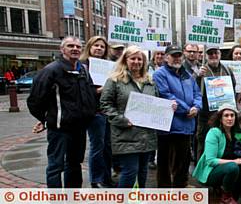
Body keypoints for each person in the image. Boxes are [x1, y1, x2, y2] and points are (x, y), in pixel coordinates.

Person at [27, 36, 97, 188]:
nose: (75, 49)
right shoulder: (51, 70)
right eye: (70, 46)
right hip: (59, 129)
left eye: (78, 47)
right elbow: (35, 100)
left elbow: (89, 94)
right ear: (62, 49)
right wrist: (46, 119)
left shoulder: (83, 70)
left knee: (74, 164)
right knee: (55, 167)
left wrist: (89, 114)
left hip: (78, 128)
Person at [100, 46, 174, 188]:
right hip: (126, 134)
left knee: (142, 171)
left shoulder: (150, 81)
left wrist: (168, 107)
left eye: (139, 59)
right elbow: (105, 104)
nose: (136, 62)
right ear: (125, 60)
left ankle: (138, 199)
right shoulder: (115, 80)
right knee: (129, 171)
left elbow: (156, 103)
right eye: (132, 58)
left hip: (146, 135)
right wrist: (121, 120)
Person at [153, 44, 203, 188]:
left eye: (179, 55)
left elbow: (197, 93)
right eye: (173, 55)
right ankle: (164, 189)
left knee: (184, 158)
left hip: (186, 124)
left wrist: (197, 107)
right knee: (164, 160)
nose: (176, 58)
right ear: (166, 57)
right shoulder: (160, 74)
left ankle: (181, 185)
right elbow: (166, 95)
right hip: (168, 125)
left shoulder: (187, 74)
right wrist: (188, 109)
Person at [192, 106, 241, 204]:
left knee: (239, 167)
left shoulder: (235, 132)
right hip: (211, 171)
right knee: (233, 166)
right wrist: (235, 161)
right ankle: (226, 198)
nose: (229, 118)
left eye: (232, 115)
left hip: (228, 169)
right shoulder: (214, 132)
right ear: (220, 118)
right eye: (226, 115)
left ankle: (233, 195)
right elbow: (210, 161)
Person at [79, 36, 114, 188]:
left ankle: (106, 177)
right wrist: (101, 89)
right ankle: (96, 179)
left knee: (108, 147)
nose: (99, 49)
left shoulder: (109, 66)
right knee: (97, 147)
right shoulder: (82, 66)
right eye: (96, 46)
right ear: (89, 47)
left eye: (102, 46)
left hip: (108, 111)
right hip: (94, 113)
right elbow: (83, 91)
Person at [195, 46, 237, 162]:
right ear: (206, 56)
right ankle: (202, 169)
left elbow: (233, 87)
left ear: (220, 54)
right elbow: (194, 89)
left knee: (222, 141)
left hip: (223, 113)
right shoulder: (201, 70)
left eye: (215, 53)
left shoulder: (227, 69)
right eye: (210, 54)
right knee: (203, 140)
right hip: (206, 113)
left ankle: (219, 166)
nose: (213, 56)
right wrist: (198, 77)